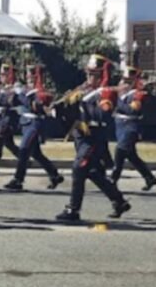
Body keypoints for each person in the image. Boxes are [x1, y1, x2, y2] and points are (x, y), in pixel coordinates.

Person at [54, 55, 131, 222]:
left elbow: (103, 115)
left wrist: (85, 101)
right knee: (93, 172)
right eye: (88, 74)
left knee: (79, 168)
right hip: (81, 136)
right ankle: (119, 201)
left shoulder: (106, 93)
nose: (89, 78)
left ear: (102, 75)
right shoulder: (85, 89)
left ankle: (73, 209)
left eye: (94, 74)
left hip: (94, 136)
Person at [3, 65, 64, 191]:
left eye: (31, 78)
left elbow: (35, 107)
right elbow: (11, 102)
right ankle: (55, 175)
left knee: (24, 150)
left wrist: (22, 94)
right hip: (25, 123)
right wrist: (11, 93)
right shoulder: (26, 90)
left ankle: (18, 179)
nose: (28, 79)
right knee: (36, 154)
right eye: (28, 77)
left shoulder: (40, 92)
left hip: (34, 124)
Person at [110, 66, 156, 191]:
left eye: (128, 81)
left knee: (120, 151)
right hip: (120, 126)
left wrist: (116, 107)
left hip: (131, 126)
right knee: (131, 155)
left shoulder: (138, 94)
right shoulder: (121, 93)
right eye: (124, 80)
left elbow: (133, 109)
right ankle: (149, 177)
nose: (124, 83)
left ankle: (113, 179)